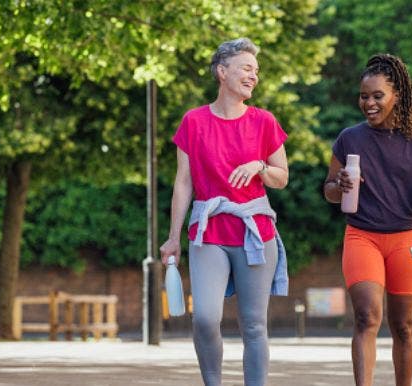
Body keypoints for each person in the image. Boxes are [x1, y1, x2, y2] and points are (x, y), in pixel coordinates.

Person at [159, 37, 289, 386]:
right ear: (222, 71)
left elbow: (282, 178)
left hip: (255, 233)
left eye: (256, 71)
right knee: (204, 317)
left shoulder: (264, 121)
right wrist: (173, 238)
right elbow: (183, 183)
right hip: (208, 230)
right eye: (246, 68)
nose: (253, 76)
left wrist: (259, 166)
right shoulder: (194, 122)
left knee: (253, 323)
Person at [322, 53, 412, 386]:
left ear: (397, 96)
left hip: (408, 238)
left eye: (378, 96)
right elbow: (329, 191)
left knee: (403, 325)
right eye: (364, 96)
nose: (369, 103)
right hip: (362, 236)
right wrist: (340, 183)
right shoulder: (349, 138)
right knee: (366, 317)